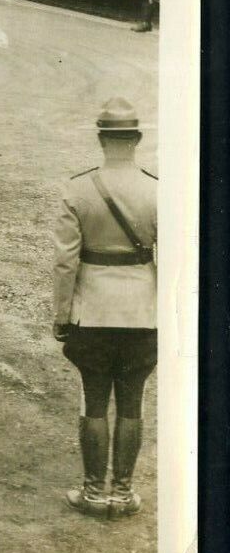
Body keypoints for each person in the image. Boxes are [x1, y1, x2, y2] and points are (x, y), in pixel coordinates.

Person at [52, 99, 157, 518]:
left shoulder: (78, 189)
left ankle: (94, 493)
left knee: (93, 401)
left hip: (92, 312)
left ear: (101, 140)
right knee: (133, 403)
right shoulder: (157, 189)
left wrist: (62, 315)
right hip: (142, 314)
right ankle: (123, 493)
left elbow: (65, 262)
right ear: (136, 139)